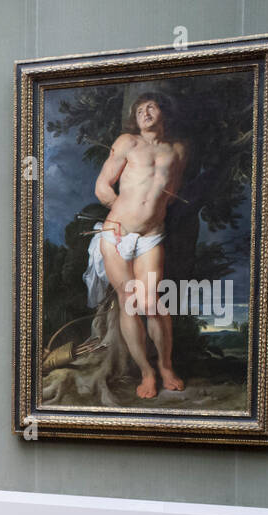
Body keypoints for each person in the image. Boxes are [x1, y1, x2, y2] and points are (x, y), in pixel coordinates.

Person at [84, 92, 188, 399]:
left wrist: (152, 214)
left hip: (151, 235)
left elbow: (171, 189)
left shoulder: (178, 150)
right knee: (129, 300)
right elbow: (102, 186)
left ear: (162, 112)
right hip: (116, 235)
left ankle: (166, 366)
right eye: (140, 109)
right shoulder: (127, 142)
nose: (145, 112)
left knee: (152, 302)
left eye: (151, 106)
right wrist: (119, 214)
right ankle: (146, 371)